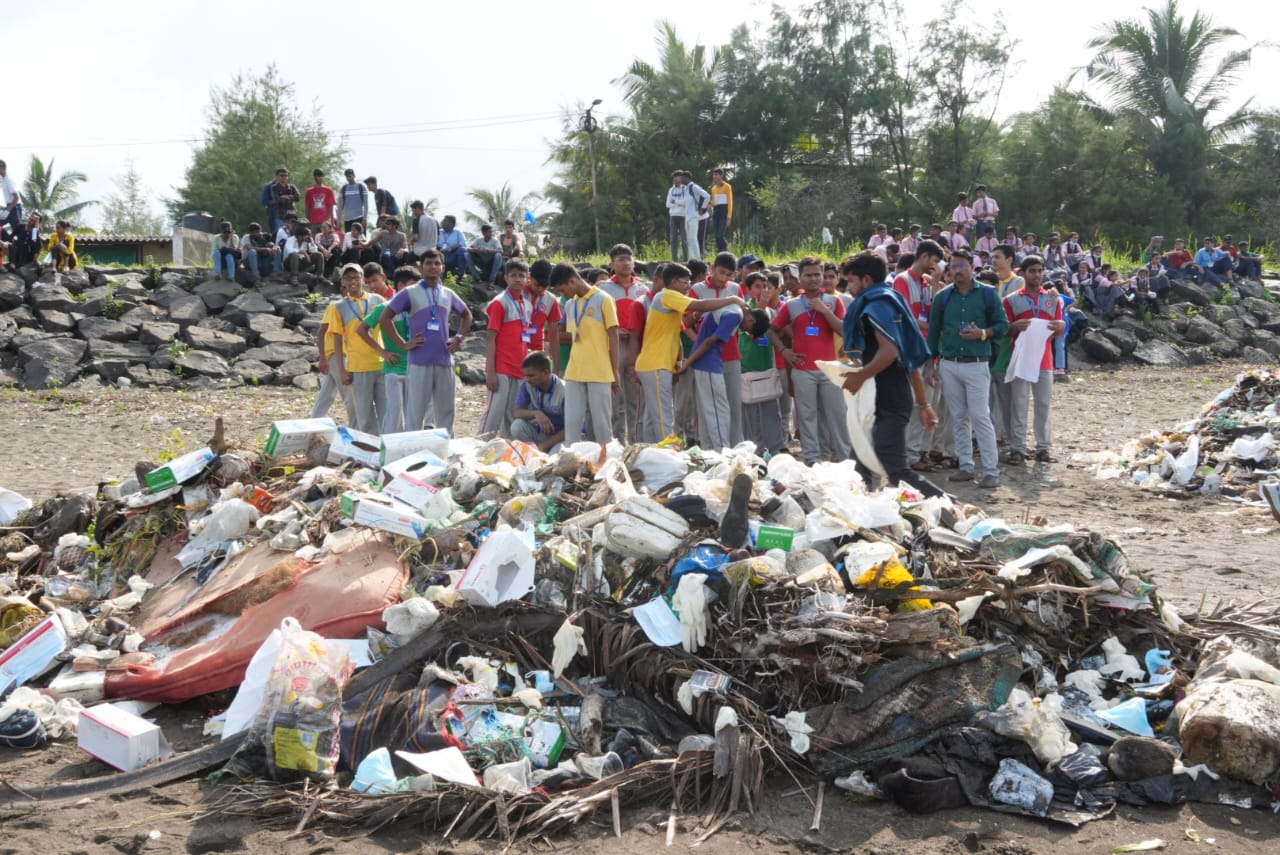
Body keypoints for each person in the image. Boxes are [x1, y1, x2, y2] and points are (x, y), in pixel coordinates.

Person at [840, 251, 943, 497]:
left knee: (896, 471)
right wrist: (923, 404)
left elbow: (889, 352)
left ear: (866, 280)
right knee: (858, 466)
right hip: (883, 399)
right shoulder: (891, 300)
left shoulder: (876, 304)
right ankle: (859, 520)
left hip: (887, 401)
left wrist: (860, 375)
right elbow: (909, 362)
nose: (849, 288)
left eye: (851, 281)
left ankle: (953, 507)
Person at [635, 263, 747, 443]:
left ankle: (651, 453)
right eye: (685, 282)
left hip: (654, 364)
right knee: (664, 416)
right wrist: (732, 299)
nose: (689, 286)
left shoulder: (667, 300)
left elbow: (679, 330)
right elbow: (699, 305)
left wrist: (679, 360)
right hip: (656, 363)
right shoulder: (668, 295)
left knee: (652, 416)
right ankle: (668, 456)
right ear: (673, 282)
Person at [925, 249, 1007, 489]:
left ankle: (991, 471)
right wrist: (931, 364)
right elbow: (934, 331)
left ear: (972, 267)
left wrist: (982, 333)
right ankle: (966, 466)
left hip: (977, 363)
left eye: (962, 266)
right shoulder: (942, 297)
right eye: (953, 266)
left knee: (981, 417)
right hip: (949, 363)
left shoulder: (989, 295)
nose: (957, 271)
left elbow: (1002, 326)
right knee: (958, 417)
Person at [378, 249, 473, 433]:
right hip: (419, 361)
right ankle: (413, 453)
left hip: (444, 360)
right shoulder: (409, 293)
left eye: (437, 263)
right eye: (428, 263)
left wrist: (459, 336)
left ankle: (445, 451)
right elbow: (385, 318)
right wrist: (403, 345)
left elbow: (467, 315)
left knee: (446, 411)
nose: (433, 267)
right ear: (421, 267)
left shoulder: (448, 293)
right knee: (415, 413)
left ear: (443, 267)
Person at [768, 256, 851, 464]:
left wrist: (824, 311)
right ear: (801, 278)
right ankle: (814, 460)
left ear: (823, 277)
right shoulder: (792, 305)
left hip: (830, 368)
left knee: (837, 415)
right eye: (808, 275)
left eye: (817, 274)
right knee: (807, 416)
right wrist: (784, 350)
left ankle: (844, 459)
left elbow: (843, 330)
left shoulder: (833, 302)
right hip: (803, 369)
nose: (813, 279)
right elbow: (772, 329)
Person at [893, 240, 953, 472]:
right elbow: (904, 314)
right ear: (925, 257)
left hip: (930, 351)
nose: (936, 266)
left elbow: (939, 309)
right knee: (917, 404)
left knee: (929, 403)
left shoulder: (928, 282)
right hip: (912, 351)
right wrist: (931, 326)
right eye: (935, 261)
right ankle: (909, 455)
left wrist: (937, 282)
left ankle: (919, 452)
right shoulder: (903, 280)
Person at [1003, 255, 1066, 465]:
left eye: (1040, 271)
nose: (1037, 275)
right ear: (1023, 273)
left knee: (1043, 405)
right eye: (1032, 271)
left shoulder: (1053, 300)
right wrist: (1014, 327)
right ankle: (1017, 449)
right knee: (1019, 405)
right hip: (1020, 359)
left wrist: (1061, 327)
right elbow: (1005, 330)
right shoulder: (1011, 300)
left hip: (1045, 360)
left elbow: (1059, 328)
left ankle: (1043, 448)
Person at [552, 262, 620, 444]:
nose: (561, 295)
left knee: (601, 423)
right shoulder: (570, 304)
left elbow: (614, 337)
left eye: (562, 289)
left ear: (572, 281)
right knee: (572, 422)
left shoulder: (604, 299)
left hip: (599, 370)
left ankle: (608, 463)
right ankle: (570, 462)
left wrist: (616, 371)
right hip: (574, 370)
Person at [320, 264, 386, 434]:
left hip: (381, 364)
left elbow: (389, 326)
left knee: (387, 413)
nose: (353, 281)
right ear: (343, 282)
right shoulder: (338, 307)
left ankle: (387, 452)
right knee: (364, 417)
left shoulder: (377, 300)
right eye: (348, 278)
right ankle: (368, 456)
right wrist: (342, 371)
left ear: (363, 279)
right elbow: (336, 338)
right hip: (358, 367)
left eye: (356, 277)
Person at [692, 252, 748, 445]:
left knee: (733, 404)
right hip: (705, 356)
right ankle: (708, 450)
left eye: (728, 274)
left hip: (730, 353)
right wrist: (699, 342)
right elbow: (686, 322)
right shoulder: (697, 290)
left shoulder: (735, 289)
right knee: (706, 405)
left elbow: (741, 318)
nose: (723, 278)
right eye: (721, 272)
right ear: (712, 267)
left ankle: (734, 447)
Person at [598, 243, 650, 443]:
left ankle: (637, 442)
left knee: (636, 397)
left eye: (629, 259)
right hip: (615, 346)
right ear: (612, 264)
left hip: (637, 347)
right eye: (621, 259)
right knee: (615, 395)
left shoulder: (643, 289)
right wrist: (613, 330)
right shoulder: (603, 289)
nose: (626, 263)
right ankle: (617, 441)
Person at [356, 265, 417, 434]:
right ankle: (386, 450)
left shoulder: (417, 309)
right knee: (394, 412)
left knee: (413, 413)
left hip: (414, 367)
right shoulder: (385, 308)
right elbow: (361, 329)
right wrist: (382, 352)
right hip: (394, 367)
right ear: (401, 286)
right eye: (413, 285)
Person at [480, 260, 535, 437]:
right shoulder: (500, 303)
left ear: (528, 279)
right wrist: (491, 371)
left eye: (522, 275)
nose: (517, 279)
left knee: (513, 415)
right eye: (513, 275)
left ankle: (510, 453)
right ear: (506, 278)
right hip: (501, 368)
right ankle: (477, 450)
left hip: (519, 368)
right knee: (492, 415)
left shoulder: (527, 305)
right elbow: (491, 337)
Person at [311, 280, 357, 427]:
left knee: (326, 394)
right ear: (343, 290)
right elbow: (321, 331)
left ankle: (313, 424)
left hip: (343, 354)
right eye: (345, 287)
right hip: (337, 356)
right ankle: (356, 428)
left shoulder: (356, 305)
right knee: (350, 395)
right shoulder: (335, 306)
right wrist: (323, 357)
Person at [511, 351, 566, 452]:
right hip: (544, 434)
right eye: (526, 376)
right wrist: (536, 413)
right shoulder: (527, 385)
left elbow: (571, 429)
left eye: (531, 376)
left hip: (563, 438)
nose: (527, 379)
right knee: (517, 426)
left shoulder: (564, 391)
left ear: (545, 373)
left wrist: (545, 445)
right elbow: (517, 412)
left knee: (555, 458)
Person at [525, 264, 562, 369]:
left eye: (545, 286)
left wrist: (556, 366)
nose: (540, 288)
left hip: (537, 351)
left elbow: (554, 334)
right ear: (529, 277)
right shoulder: (518, 292)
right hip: (515, 348)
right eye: (537, 284)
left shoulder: (551, 299)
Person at [681, 170, 711, 261]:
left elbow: (707, 196)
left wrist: (702, 208)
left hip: (694, 216)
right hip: (687, 216)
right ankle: (692, 258)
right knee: (689, 239)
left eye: (682, 178)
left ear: (687, 178)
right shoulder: (685, 189)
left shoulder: (694, 187)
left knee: (693, 238)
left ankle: (697, 258)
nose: (681, 180)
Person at [438, 215, 476, 281]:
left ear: (452, 223)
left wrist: (451, 248)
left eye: (445, 221)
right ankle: (440, 275)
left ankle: (460, 275)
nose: (442, 222)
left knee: (462, 250)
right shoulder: (439, 232)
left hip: (452, 256)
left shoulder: (458, 233)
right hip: (440, 255)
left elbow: (462, 243)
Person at [267, 167, 300, 235]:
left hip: (292, 216)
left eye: (286, 175)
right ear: (277, 176)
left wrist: (287, 197)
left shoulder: (292, 187)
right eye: (282, 175)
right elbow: (277, 199)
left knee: (293, 234)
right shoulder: (274, 187)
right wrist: (290, 197)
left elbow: (298, 197)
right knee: (280, 234)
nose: (284, 177)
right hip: (280, 216)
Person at [304, 169, 336, 235]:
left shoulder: (328, 190)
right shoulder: (309, 191)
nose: (320, 178)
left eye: (322, 176)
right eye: (318, 176)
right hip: (313, 221)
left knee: (325, 240)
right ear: (315, 177)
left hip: (325, 221)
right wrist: (307, 220)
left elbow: (331, 206)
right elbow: (307, 206)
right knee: (314, 240)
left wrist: (327, 219)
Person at [665, 171, 688, 261]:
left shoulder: (685, 189)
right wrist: (678, 203)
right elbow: (667, 204)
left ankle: (686, 259)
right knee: (673, 239)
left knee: (684, 239)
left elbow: (685, 202)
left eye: (677, 177)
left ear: (681, 178)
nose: (674, 179)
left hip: (683, 216)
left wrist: (674, 202)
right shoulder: (671, 190)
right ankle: (674, 259)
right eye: (674, 177)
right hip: (673, 216)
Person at [710, 168, 733, 252]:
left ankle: (726, 251)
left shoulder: (727, 186)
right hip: (716, 212)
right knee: (716, 236)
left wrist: (729, 217)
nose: (714, 176)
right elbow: (714, 202)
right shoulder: (713, 188)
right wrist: (707, 203)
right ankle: (720, 253)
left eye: (716, 174)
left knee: (720, 235)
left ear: (721, 175)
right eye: (713, 174)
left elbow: (730, 202)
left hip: (724, 212)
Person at [0, 160, 22, 233]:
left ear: (3, 167)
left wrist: (7, 211)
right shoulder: (4, 180)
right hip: (10, 207)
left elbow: (16, 197)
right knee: (4, 227)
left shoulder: (8, 180)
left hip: (15, 208)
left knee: (17, 230)